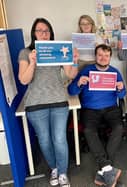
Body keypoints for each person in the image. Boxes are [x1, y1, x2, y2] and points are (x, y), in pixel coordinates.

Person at [18, 18, 79, 187]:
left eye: (46, 31)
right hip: (36, 104)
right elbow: (24, 80)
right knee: (44, 140)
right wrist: (32, 63)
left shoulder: (57, 50)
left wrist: (74, 60)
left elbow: (70, 75)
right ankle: (54, 168)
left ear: (51, 33)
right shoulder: (25, 52)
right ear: (34, 33)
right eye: (39, 30)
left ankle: (63, 172)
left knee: (59, 138)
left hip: (59, 100)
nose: (43, 34)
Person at [68, 44, 126, 187]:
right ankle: (107, 169)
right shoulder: (86, 71)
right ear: (95, 56)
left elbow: (122, 94)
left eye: (106, 55)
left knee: (119, 127)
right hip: (90, 109)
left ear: (110, 57)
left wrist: (121, 88)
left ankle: (104, 168)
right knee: (88, 130)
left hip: (111, 108)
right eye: (100, 55)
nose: (103, 58)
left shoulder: (115, 72)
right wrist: (79, 83)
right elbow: (71, 91)